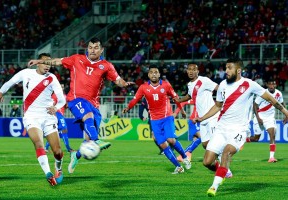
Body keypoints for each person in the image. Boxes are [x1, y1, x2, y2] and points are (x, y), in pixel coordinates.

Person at [28, 37, 134, 174]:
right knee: (89, 122)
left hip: (94, 104)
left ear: (101, 50)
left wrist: (124, 84)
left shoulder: (106, 65)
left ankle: (76, 155)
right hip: (75, 99)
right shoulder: (76, 59)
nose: (92, 50)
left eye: (96, 47)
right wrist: (40, 61)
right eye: (90, 47)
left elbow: (118, 80)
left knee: (89, 142)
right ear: (87, 49)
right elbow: (57, 61)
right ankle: (98, 140)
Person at [194, 58, 288, 197]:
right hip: (221, 129)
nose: (226, 71)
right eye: (226, 68)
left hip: (239, 130)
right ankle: (223, 172)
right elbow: (218, 106)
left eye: (229, 68)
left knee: (226, 153)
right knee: (207, 162)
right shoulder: (222, 85)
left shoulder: (250, 84)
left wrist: (286, 112)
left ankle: (214, 186)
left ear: (238, 70)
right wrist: (203, 118)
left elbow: (271, 99)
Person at [0, 53, 66, 186]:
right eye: (45, 63)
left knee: (58, 151)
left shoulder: (52, 78)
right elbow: (9, 82)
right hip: (31, 116)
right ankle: (48, 173)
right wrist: (0, 93)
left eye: (50, 63)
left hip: (48, 116)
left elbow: (62, 100)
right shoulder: (26, 73)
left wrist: (56, 108)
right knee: (38, 144)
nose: (48, 66)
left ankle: (59, 168)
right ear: (38, 63)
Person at [123, 65, 191, 174]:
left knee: (171, 140)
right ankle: (178, 167)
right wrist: (128, 107)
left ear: (159, 74)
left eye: (156, 72)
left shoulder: (166, 85)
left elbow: (176, 98)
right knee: (163, 145)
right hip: (154, 120)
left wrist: (181, 110)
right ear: (148, 74)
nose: (154, 74)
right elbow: (135, 99)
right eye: (151, 72)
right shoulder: (143, 87)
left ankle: (185, 157)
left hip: (167, 117)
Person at [250, 79, 285, 162]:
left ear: (275, 85)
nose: (272, 86)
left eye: (273, 84)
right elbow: (255, 105)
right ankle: (247, 139)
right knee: (256, 139)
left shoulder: (278, 93)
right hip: (260, 117)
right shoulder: (263, 93)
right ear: (267, 85)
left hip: (270, 118)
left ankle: (271, 157)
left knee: (272, 134)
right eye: (270, 84)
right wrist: (258, 118)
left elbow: (282, 104)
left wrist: (286, 114)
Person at [45, 84, 74, 153]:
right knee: (64, 129)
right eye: (60, 87)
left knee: (55, 132)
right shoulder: (55, 95)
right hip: (57, 114)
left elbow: (66, 106)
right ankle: (68, 148)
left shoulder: (64, 96)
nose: (62, 88)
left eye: (63, 87)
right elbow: (51, 105)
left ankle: (45, 147)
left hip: (59, 114)